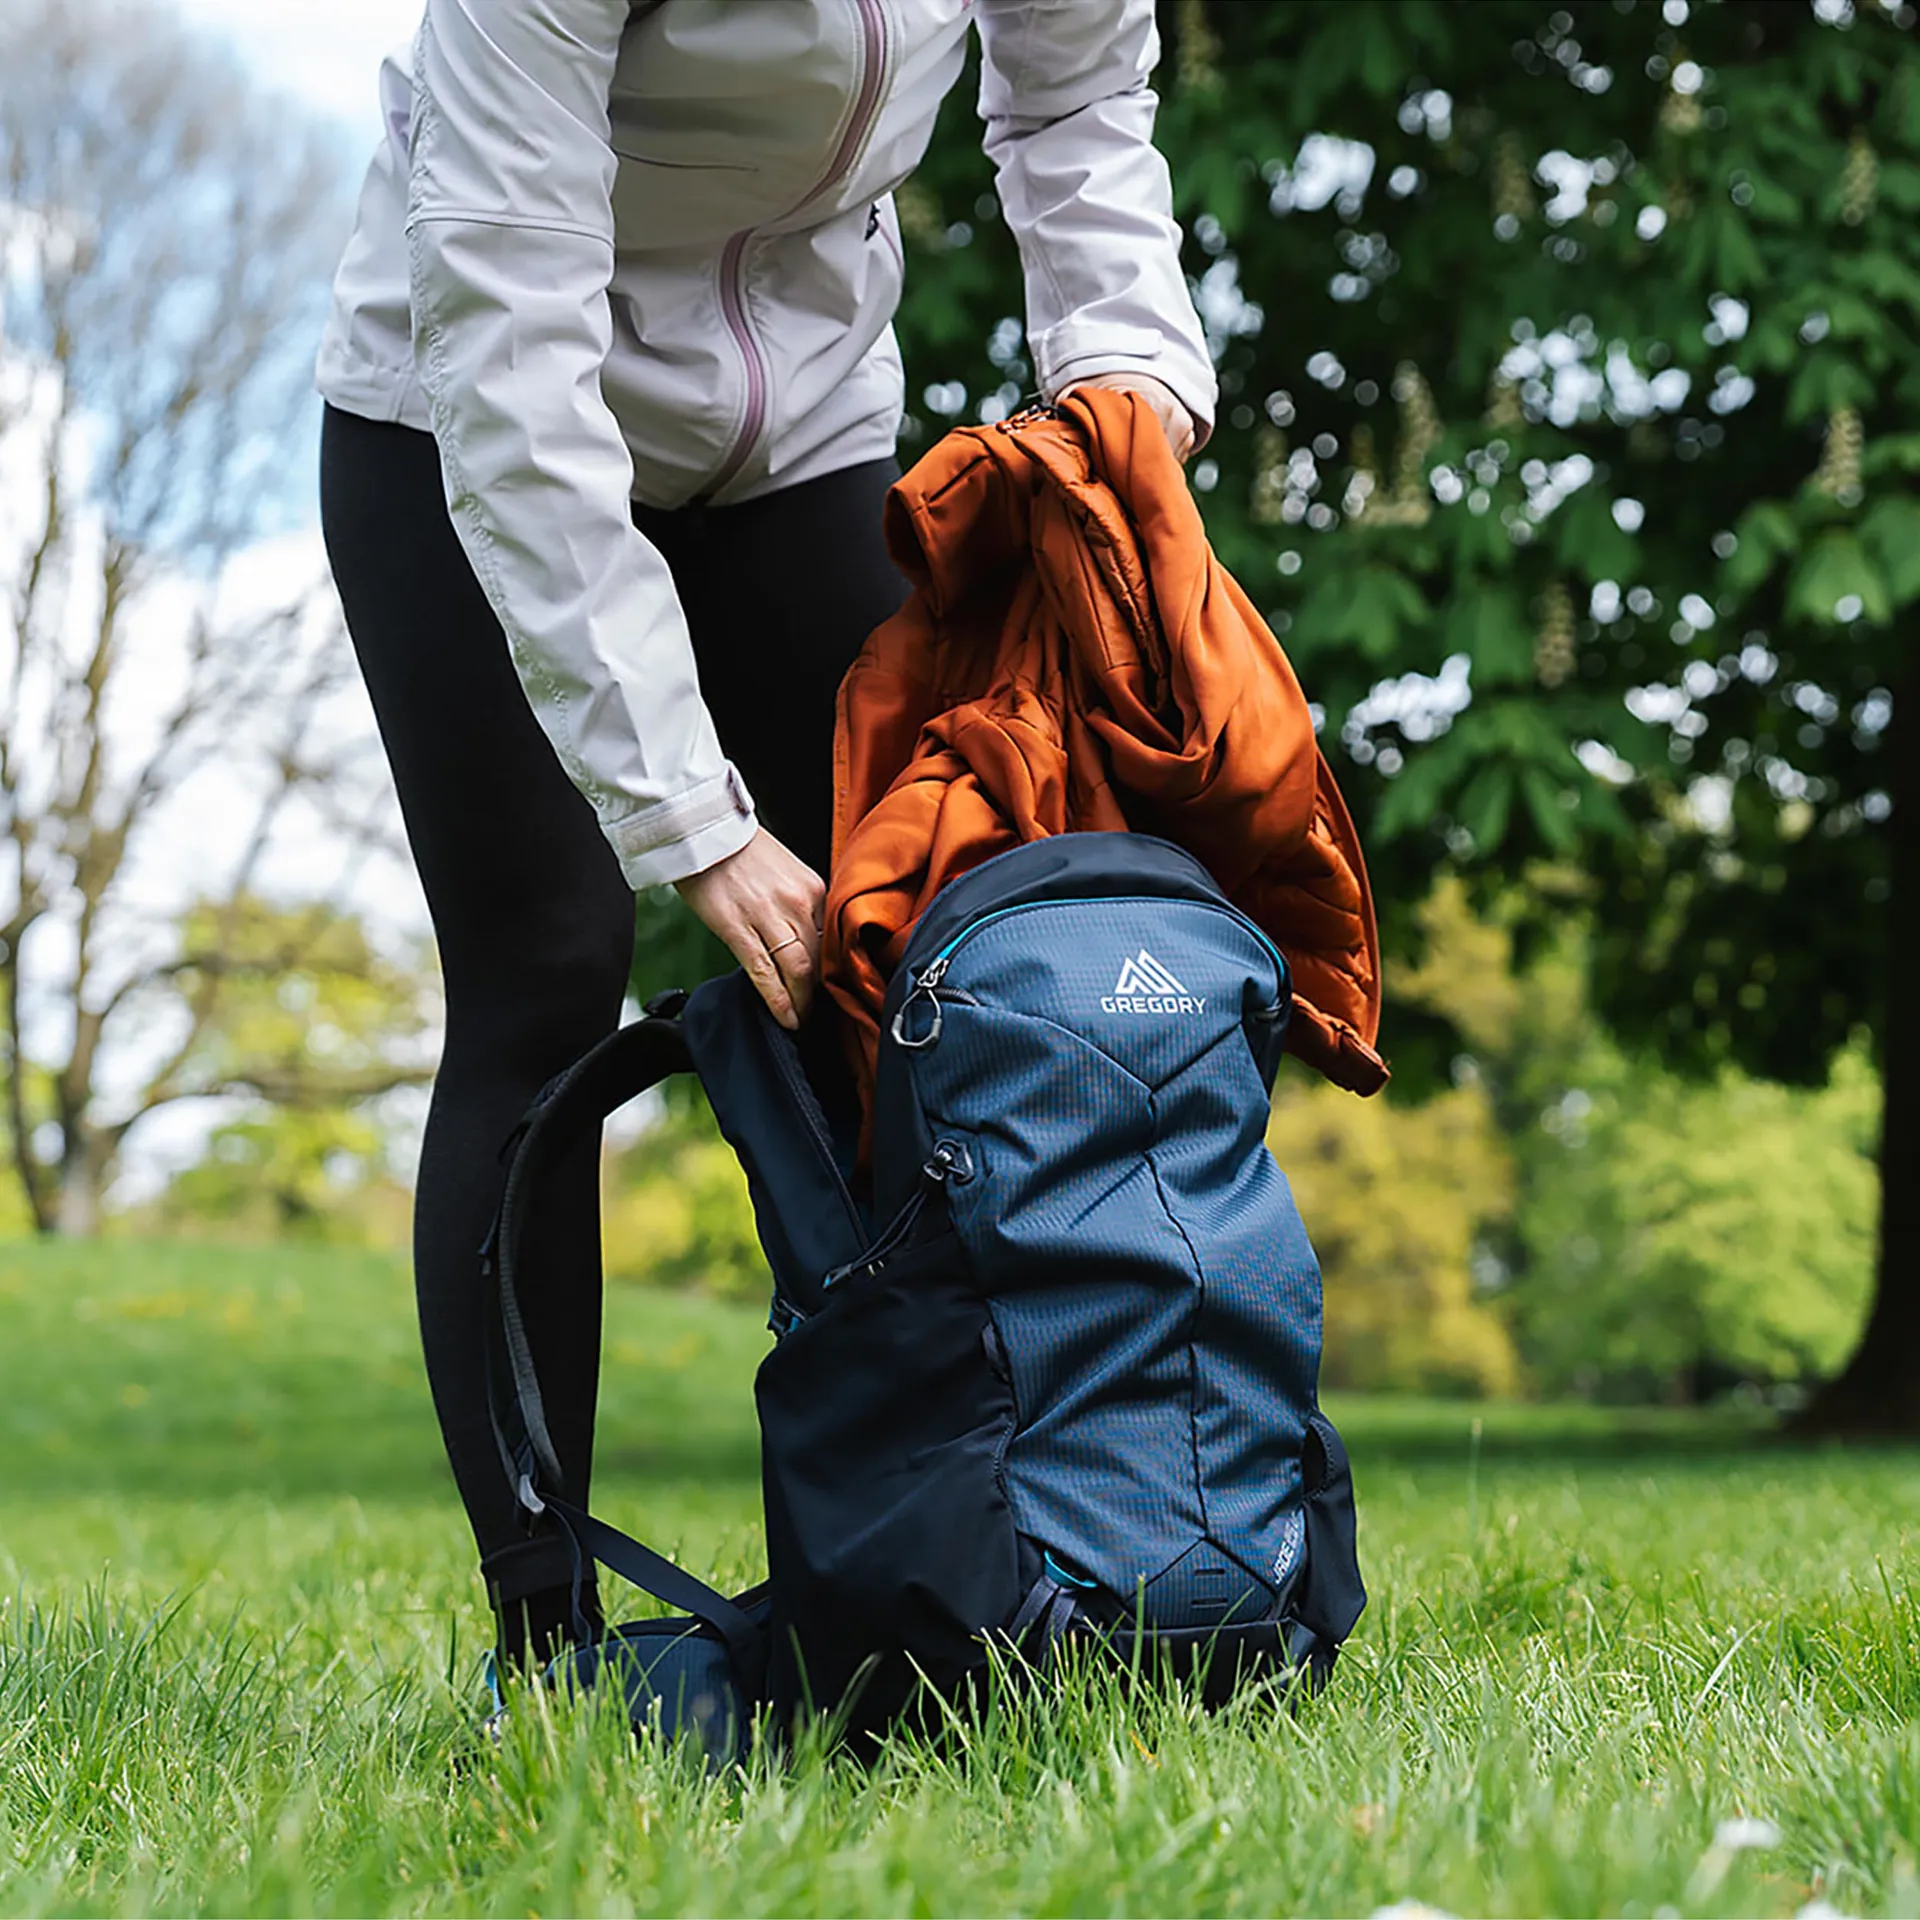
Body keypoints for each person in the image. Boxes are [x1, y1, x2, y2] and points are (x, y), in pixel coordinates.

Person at [316, 0, 1217, 1672]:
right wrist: (690, 817)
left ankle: (956, 1579)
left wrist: (1130, 388)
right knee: (546, 967)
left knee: (920, 955)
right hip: (469, 414)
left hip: (798, 422)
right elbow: (510, 337)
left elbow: (1077, 99)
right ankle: (547, 1644)